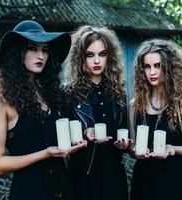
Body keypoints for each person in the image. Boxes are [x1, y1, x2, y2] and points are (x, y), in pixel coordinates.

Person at [0, 20, 87, 200]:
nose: (40, 55)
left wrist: (85, 134)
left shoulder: (51, 95)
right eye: (33, 48)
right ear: (17, 54)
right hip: (30, 193)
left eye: (45, 50)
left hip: (65, 191)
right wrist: (45, 154)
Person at [129, 39, 182, 200]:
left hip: (173, 182)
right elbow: (133, 149)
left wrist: (172, 149)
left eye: (158, 65)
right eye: (147, 67)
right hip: (143, 183)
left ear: (168, 67)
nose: (152, 72)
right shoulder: (135, 105)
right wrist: (133, 150)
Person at [65, 25, 131, 200]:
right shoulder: (68, 94)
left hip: (114, 175)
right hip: (82, 175)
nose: (97, 61)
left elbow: (123, 132)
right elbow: (62, 138)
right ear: (80, 58)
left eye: (102, 54)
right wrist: (85, 133)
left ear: (110, 57)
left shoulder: (119, 93)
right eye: (90, 55)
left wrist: (124, 144)